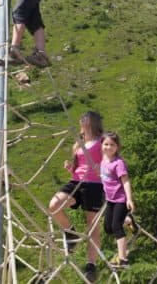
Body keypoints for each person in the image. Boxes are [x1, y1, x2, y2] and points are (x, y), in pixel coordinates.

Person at [49, 111, 104, 282]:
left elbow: (112, 161)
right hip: (76, 182)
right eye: (81, 118)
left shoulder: (102, 141)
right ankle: (70, 232)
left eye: (84, 118)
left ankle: (91, 265)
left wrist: (102, 169)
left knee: (92, 225)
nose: (81, 120)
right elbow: (78, 166)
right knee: (54, 205)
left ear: (92, 121)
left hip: (94, 185)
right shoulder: (78, 143)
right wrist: (71, 167)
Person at [100, 132, 135, 269]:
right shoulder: (103, 159)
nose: (109, 147)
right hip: (110, 200)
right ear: (102, 145)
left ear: (117, 146)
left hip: (121, 199)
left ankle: (123, 259)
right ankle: (128, 220)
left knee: (116, 227)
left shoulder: (118, 163)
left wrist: (129, 199)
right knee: (108, 229)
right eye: (106, 144)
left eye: (112, 145)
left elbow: (125, 181)